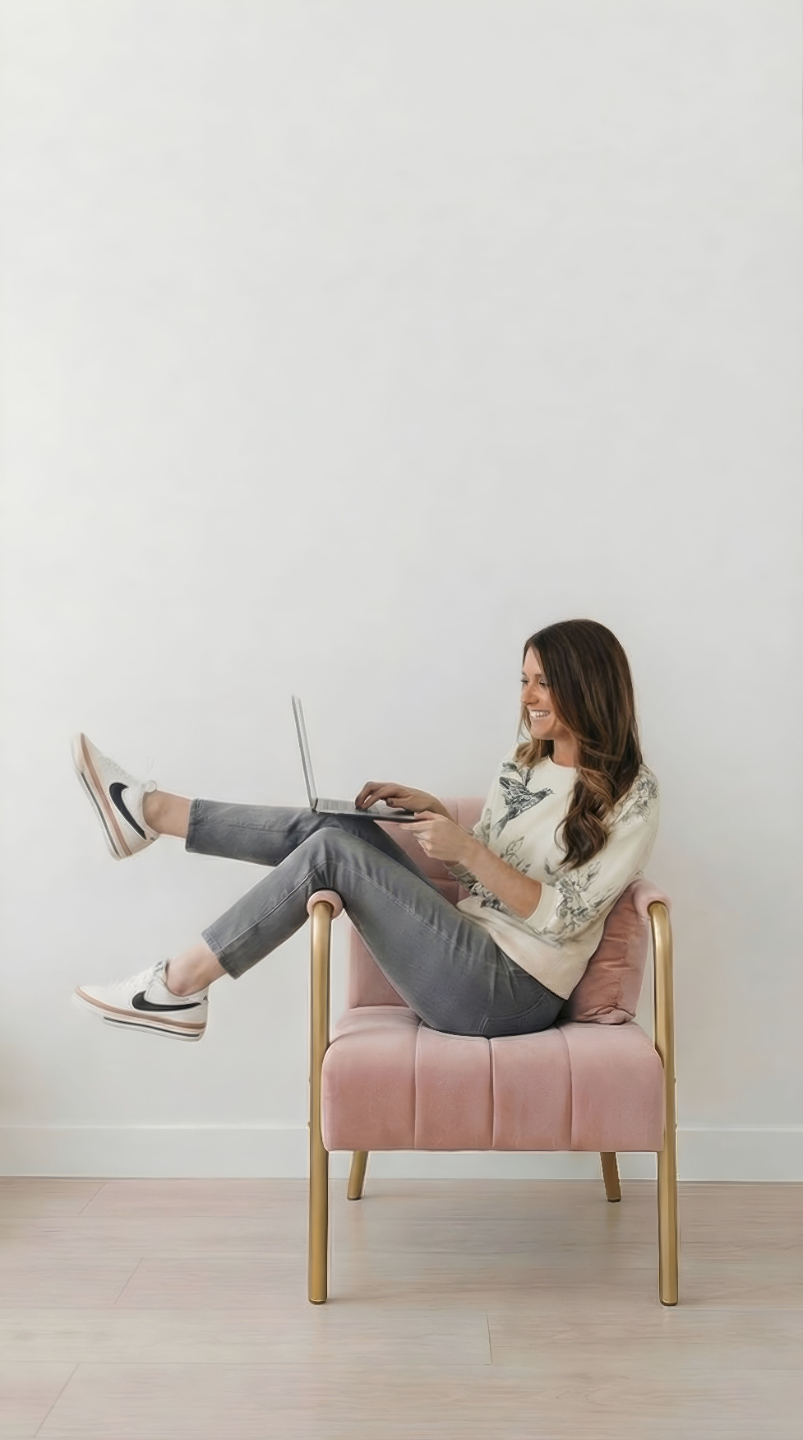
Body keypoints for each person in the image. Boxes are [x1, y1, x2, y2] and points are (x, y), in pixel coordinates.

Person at [71, 618, 659, 1044]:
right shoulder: (524, 762)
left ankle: (177, 986)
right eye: (523, 680)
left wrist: (470, 851)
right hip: (467, 946)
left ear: (585, 686)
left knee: (332, 853)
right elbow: (483, 875)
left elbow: (567, 917)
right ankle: (151, 813)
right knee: (333, 824)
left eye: (542, 682)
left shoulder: (634, 795)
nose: (526, 697)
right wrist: (434, 816)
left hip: (511, 993)